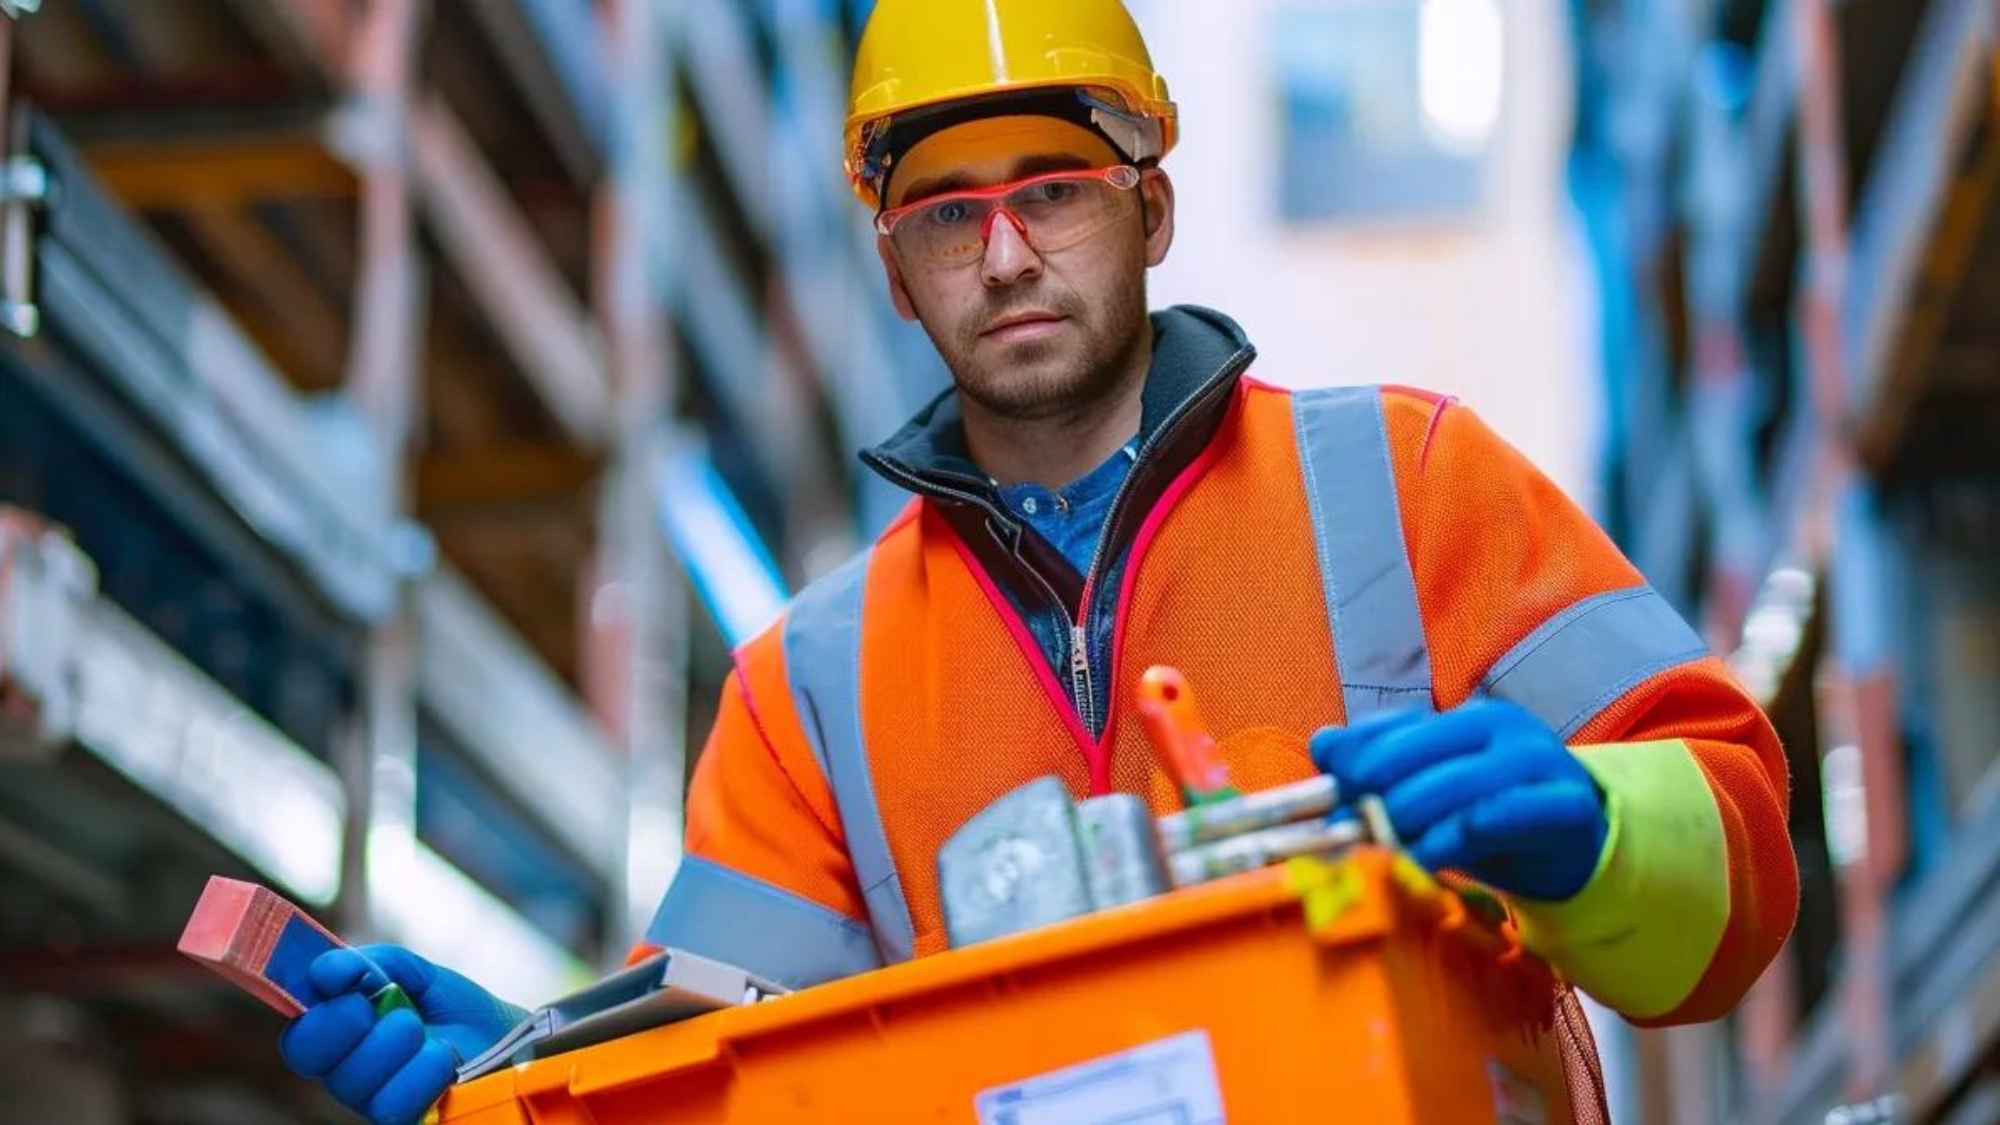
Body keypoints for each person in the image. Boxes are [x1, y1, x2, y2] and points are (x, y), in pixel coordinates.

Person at [280, 1, 1799, 1121]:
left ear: (1151, 210)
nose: (1004, 255)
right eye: (948, 215)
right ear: (894, 273)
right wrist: (522, 1078)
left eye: (1052, 192)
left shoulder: (1405, 480)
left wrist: (1601, 827)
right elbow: (718, 1076)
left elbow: (1735, 871)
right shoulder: (807, 690)